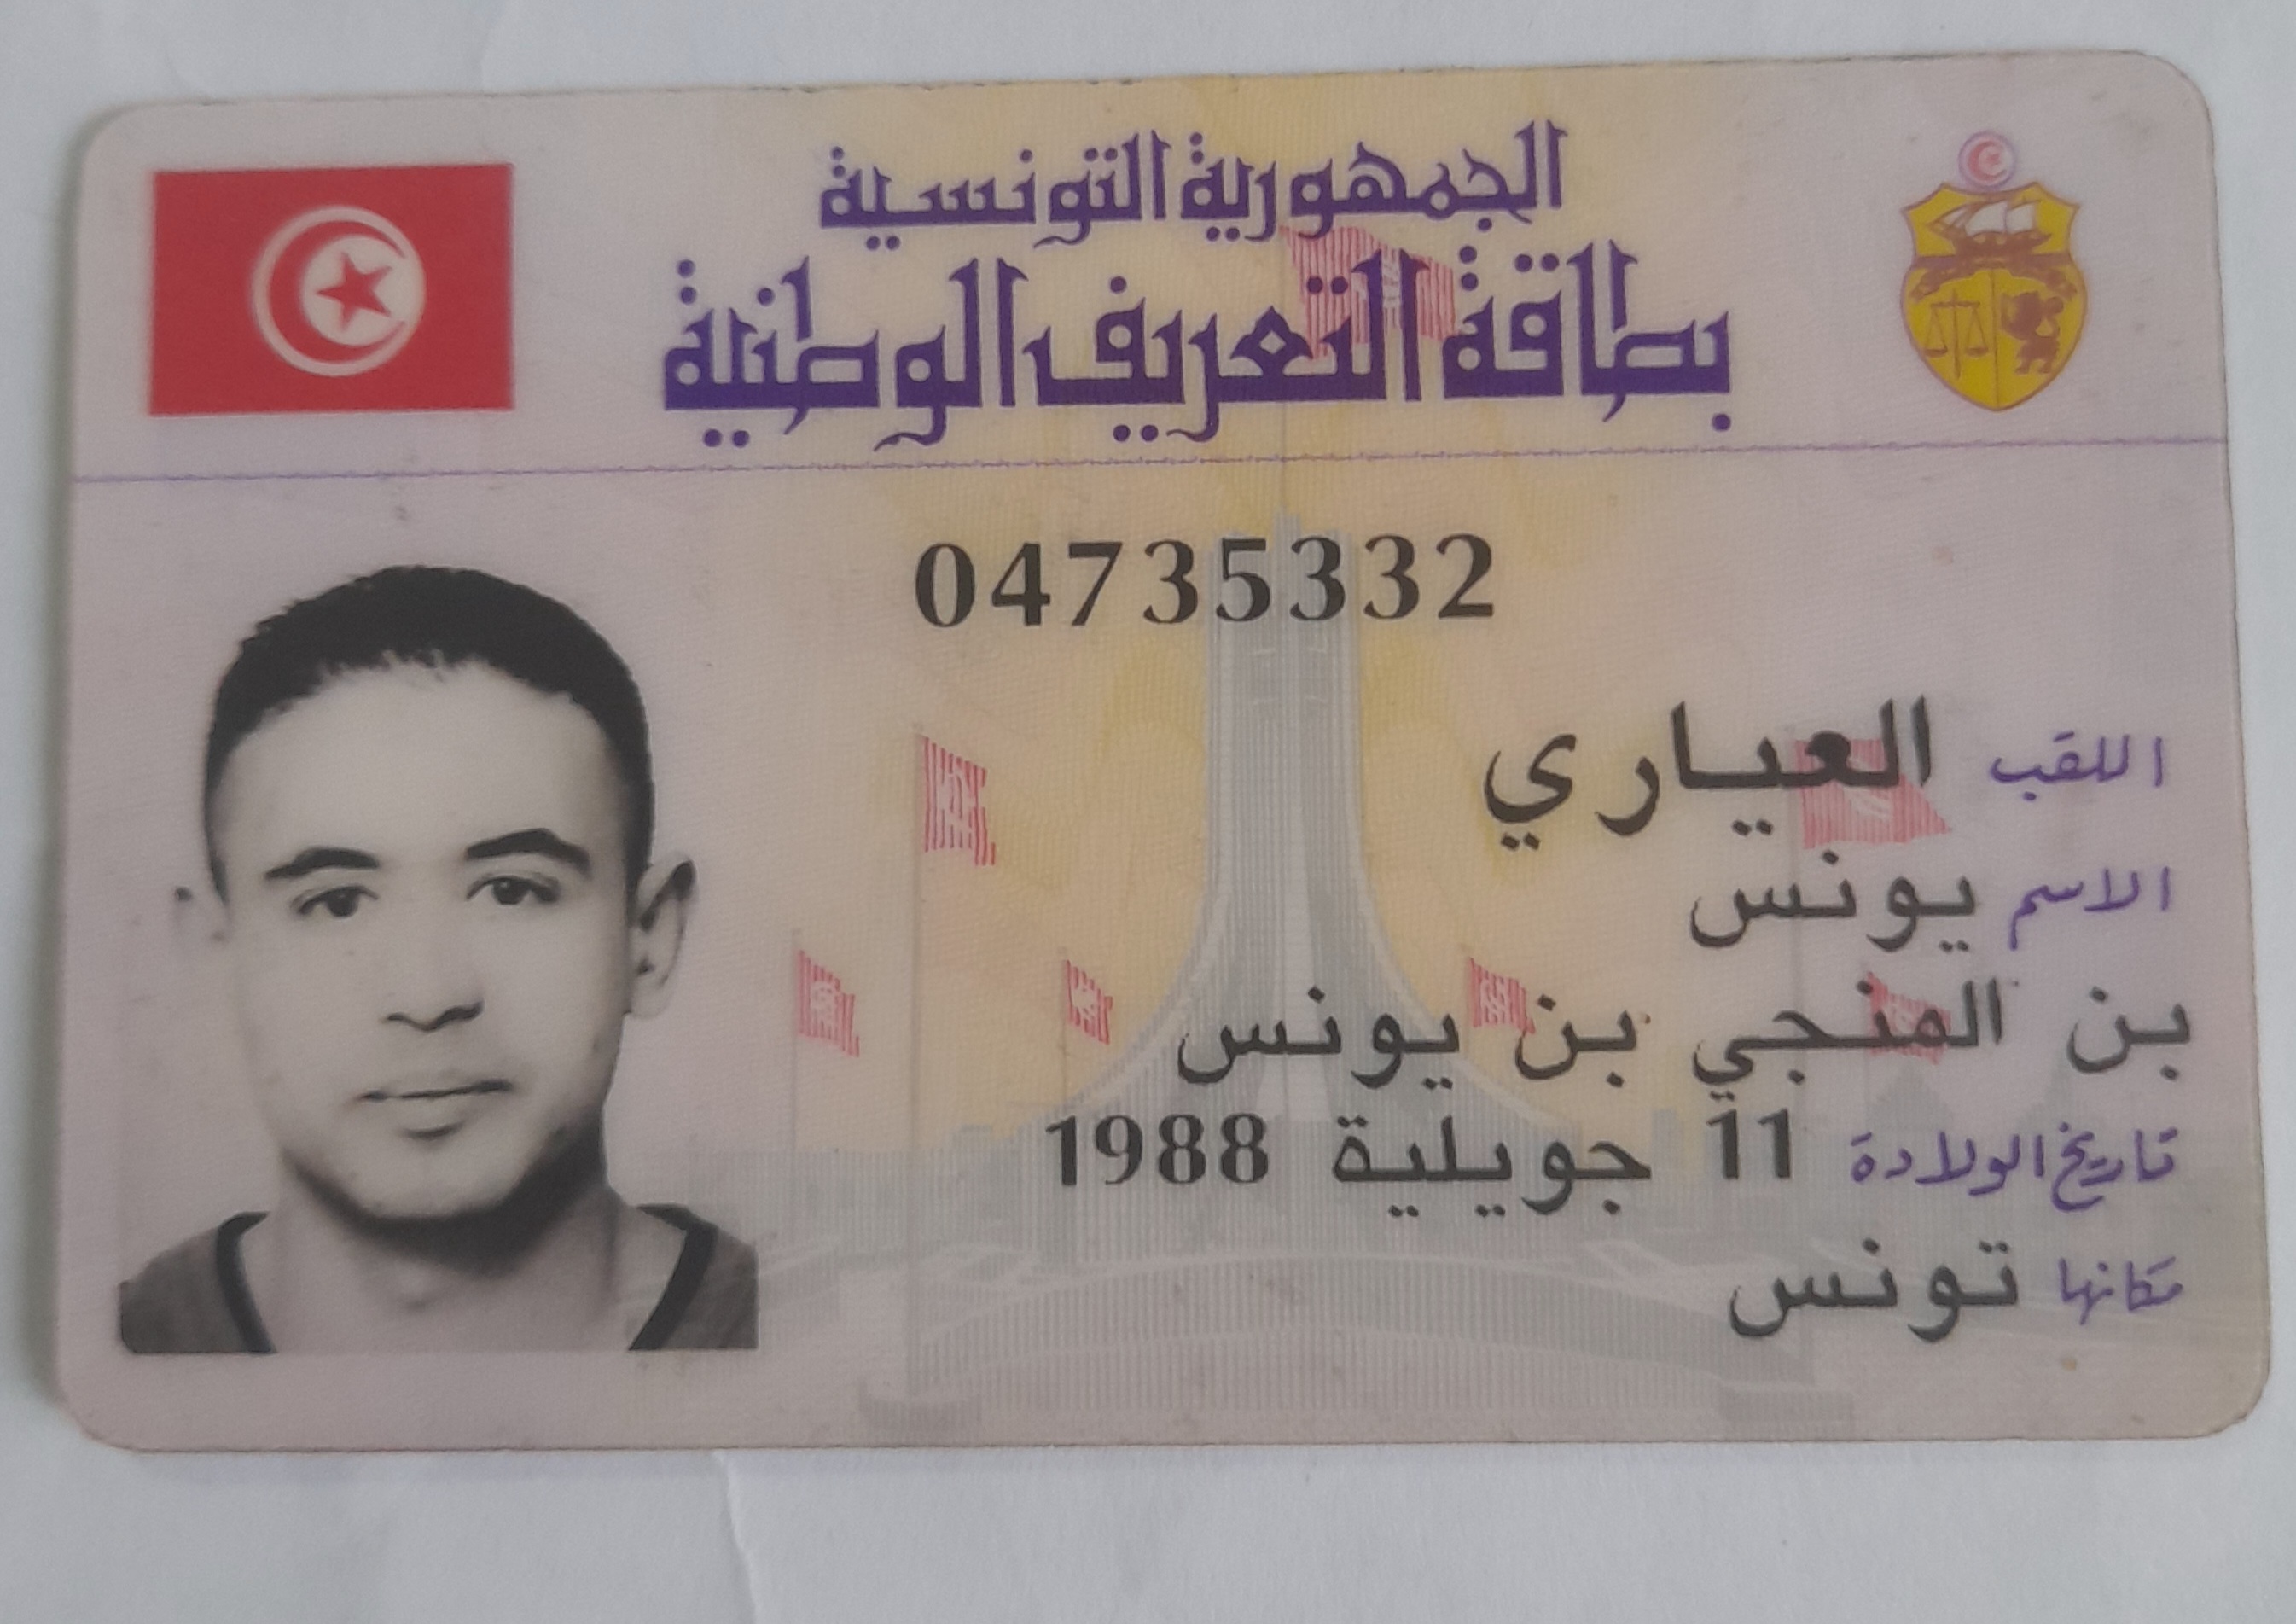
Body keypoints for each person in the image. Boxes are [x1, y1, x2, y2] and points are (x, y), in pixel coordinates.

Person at [119, 566, 756, 1353]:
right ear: (217, 961)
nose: (427, 995)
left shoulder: (815, 1341)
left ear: (649, 938)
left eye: (512, 891)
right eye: (336, 903)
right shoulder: (103, 1353)